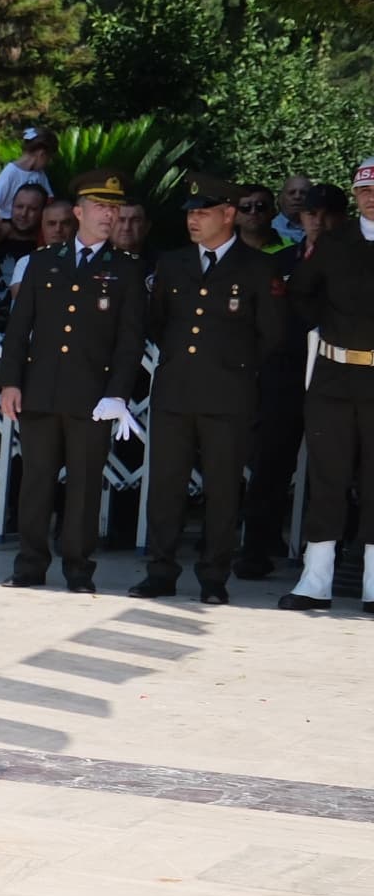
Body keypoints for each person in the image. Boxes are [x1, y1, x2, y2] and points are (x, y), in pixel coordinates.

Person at [135, 174, 290, 604]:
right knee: (166, 486)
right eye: (190, 213)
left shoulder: (259, 267)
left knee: (222, 490)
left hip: (228, 393)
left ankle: (213, 577)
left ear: (228, 214)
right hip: (175, 390)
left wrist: (234, 368)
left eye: (203, 212)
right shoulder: (172, 263)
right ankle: (160, 571)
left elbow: (272, 335)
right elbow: (159, 322)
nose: (193, 220)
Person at [0, 168, 145, 593]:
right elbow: (18, 328)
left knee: (83, 487)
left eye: (114, 208)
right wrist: (11, 382)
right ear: (78, 211)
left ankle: (79, 570)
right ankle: (29, 565)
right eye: (99, 206)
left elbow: (129, 341)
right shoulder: (43, 262)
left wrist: (117, 394)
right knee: (36, 482)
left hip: (92, 396)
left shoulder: (127, 270)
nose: (108, 215)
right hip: (41, 390)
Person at [281, 158, 374, 612]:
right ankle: (315, 580)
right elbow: (301, 290)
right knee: (327, 475)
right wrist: (324, 327)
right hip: (335, 374)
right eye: (363, 190)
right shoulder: (335, 242)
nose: (370, 198)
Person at [243, 183, 339, 578]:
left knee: (334, 469)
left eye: (324, 213)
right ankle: (256, 547)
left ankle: (331, 554)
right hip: (284, 371)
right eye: (309, 213)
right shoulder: (279, 260)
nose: (316, 221)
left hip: (336, 372)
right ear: (299, 217)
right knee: (270, 463)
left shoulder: (355, 260)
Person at [0, 124, 56, 216]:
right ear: (41, 154)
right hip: (8, 224)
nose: (48, 163)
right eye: (49, 158)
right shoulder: (11, 172)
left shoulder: (39, 174)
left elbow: (49, 199)